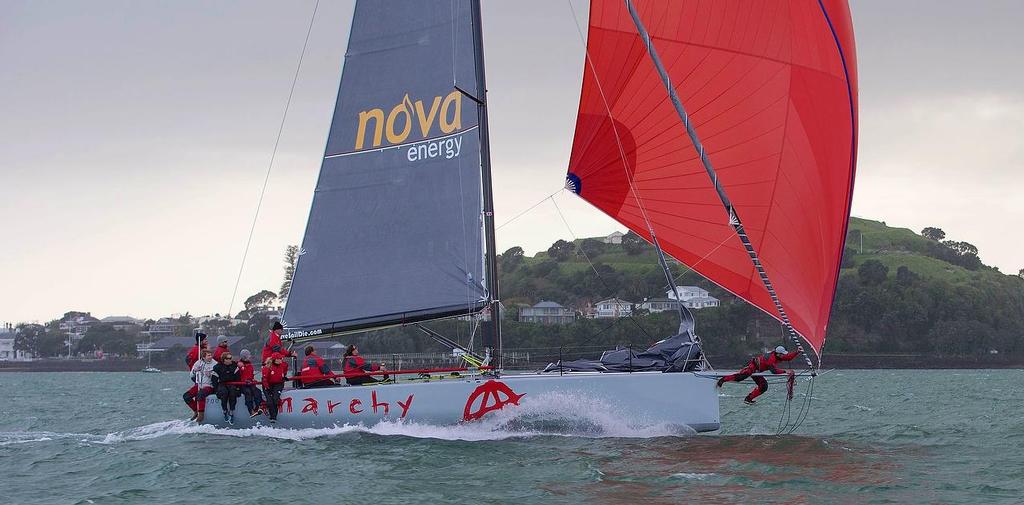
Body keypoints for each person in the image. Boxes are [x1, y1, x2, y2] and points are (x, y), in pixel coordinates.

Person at [717, 345, 801, 404]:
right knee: (742, 376)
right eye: (783, 354)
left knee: (764, 386)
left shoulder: (779, 356)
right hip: (753, 366)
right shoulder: (771, 359)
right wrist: (785, 371)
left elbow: (788, 357)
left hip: (758, 370)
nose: (784, 356)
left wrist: (797, 352)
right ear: (778, 353)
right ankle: (723, 380)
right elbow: (774, 371)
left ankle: (748, 399)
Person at [183, 349, 216, 423]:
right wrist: (195, 370)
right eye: (208, 355)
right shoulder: (198, 363)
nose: (211, 357)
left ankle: (201, 415)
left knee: (200, 394)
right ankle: (196, 411)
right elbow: (191, 374)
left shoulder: (215, 364)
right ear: (203, 357)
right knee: (186, 396)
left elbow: (218, 376)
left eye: (211, 355)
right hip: (199, 384)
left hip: (209, 386)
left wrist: (211, 375)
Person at [211, 352, 242, 424]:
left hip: (232, 383)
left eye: (231, 358)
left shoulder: (234, 366)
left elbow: (238, 378)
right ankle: (225, 411)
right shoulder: (217, 367)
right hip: (222, 384)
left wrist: (238, 389)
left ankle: (231, 412)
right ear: (224, 360)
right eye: (229, 358)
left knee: (232, 393)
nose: (231, 360)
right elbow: (214, 380)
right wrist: (216, 391)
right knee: (224, 393)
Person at [236, 349, 265, 418]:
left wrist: (252, 379)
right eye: (248, 355)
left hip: (250, 383)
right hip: (243, 385)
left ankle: (258, 407)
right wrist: (244, 381)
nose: (250, 356)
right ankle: (250, 410)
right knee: (248, 393)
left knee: (257, 392)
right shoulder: (239, 365)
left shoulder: (250, 365)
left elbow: (251, 375)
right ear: (244, 357)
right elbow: (237, 376)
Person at [261, 352, 289, 424]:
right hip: (268, 385)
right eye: (279, 358)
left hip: (278, 384)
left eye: (281, 358)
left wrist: (284, 377)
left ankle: (273, 418)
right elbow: (264, 379)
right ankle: (272, 416)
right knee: (270, 401)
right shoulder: (267, 367)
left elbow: (284, 371)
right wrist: (267, 388)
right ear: (275, 360)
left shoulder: (282, 365)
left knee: (275, 400)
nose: (281, 360)